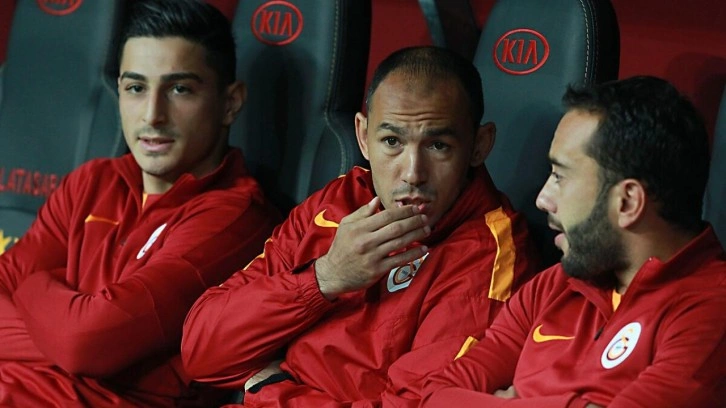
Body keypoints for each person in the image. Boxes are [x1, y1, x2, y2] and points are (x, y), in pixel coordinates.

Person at [181, 46, 540, 407]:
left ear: (479, 146)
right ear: (363, 137)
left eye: (438, 146)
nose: (413, 173)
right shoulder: (340, 199)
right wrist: (324, 279)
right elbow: (202, 354)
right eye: (392, 142)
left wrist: (272, 392)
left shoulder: (491, 258)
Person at [0, 0, 279, 406]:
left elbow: (84, 344)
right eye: (136, 88)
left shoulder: (236, 218)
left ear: (230, 103)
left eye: (180, 89)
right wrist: (68, 329)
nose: (152, 115)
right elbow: (79, 343)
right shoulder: (91, 182)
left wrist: (33, 286)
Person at [414, 76, 726, 407]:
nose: (542, 199)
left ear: (627, 203)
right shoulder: (551, 286)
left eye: (559, 176)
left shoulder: (711, 313)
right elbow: (433, 397)